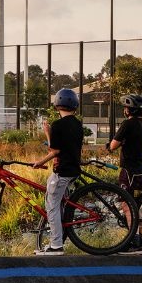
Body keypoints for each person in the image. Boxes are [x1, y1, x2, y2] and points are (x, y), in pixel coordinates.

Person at [31, 88, 84, 256]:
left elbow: (54, 150)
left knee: (51, 206)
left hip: (62, 171)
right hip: (73, 170)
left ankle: (56, 245)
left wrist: (39, 161)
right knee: (59, 204)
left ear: (57, 105)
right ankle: (59, 239)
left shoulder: (58, 125)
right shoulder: (77, 124)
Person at [106, 93, 142, 255]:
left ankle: (134, 243)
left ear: (128, 110)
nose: (124, 110)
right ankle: (139, 241)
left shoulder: (127, 124)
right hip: (141, 169)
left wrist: (110, 146)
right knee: (135, 205)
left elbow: (113, 145)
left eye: (125, 107)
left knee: (126, 205)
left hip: (129, 170)